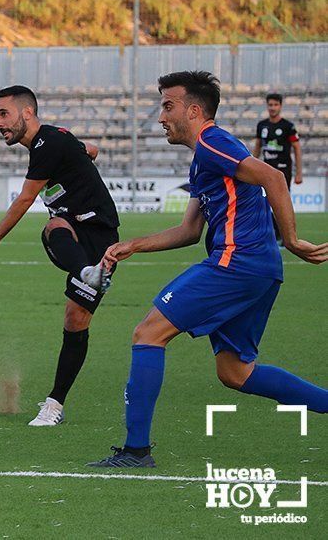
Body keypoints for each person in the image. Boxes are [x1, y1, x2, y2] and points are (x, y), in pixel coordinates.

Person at [88, 71, 328, 469]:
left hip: (237, 262)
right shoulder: (203, 160)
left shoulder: (212, 142)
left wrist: (293, 239)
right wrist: (132, 245)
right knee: (235, 372)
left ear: (194, 110)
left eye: (168, 105)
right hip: (258, 269)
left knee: (149, 333)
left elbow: (274, 176)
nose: (161, 116)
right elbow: (188, 231)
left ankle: (135, 452)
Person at [0, 85, 116, 427]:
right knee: (55, 227)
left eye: (3, 114)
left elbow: (24, 200)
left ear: (27, 113)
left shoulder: (46, 143)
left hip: (98, 235)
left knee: (75, 319)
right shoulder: (54, 140)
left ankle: (54, 404)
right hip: (73, 233)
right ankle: (87, 272)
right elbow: (91, 150)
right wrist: (84, 155)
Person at [253, 93, 303, 239]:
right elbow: (257, 147)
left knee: (280, 203)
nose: (272, 108)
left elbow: (297, 148)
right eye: (270, 105)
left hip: (283, 170)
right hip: (265, 169)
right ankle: (276, 234)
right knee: (265, 202)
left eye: (275, 105)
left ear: (280, 106)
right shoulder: (262, 125)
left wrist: (299, 173)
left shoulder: (288, 126)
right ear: (267, 106)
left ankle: (286, 235)